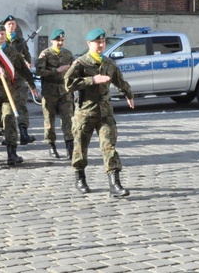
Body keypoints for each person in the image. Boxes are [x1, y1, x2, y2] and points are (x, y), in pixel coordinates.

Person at [65, 28, 133, 198]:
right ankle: (79, 177)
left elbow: (119, 80)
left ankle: (114, 183)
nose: (101, 45)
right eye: (97, 42)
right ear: (89, 44)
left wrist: (128, 94)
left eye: (103, 42)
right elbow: (68, 83)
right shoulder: (80, 63)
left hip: (105, 112)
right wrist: (92, 80)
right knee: (80, 146)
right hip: (85, 113)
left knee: (109, 146)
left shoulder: (109, 63)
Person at [0, 25, 38, 165]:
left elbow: (22, 68)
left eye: (2, 34)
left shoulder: (11, 50)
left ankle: (11, 152)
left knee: (9, 119)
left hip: (8, 93)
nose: (0, 37)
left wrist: (32, 84)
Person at [36, 29, 75, 159]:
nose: (60, 43)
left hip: (65, 92)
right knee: (49, 119)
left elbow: (74, 70)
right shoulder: (45, 54)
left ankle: (70, 147)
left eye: (62, 40)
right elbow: (39, 71)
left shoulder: (68, 54)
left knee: (68, 119)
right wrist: (56, 70)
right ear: (52, 41)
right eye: (57, 40)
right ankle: (51, 145)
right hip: (50, 92)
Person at [0, 15, 35, 145]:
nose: (11, 26)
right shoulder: (0, 41)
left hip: (19, 77)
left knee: (21, 104)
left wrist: (27, 62)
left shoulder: (20, 41)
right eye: (9, 24)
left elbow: (27, 56)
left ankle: (24, 133)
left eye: (13, 24)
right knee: (6, 108)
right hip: (5, 79)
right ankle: (7, 134)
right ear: (4, 26)